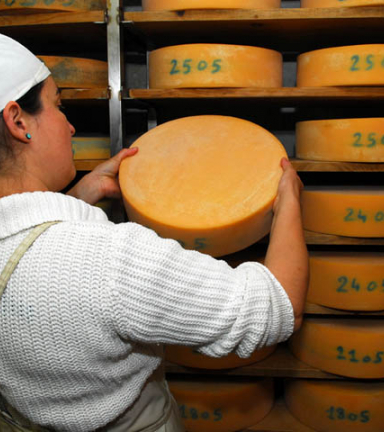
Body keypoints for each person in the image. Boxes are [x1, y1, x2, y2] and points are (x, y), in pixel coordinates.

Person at [0, 33, 308, 432]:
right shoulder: (108, 262)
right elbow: (276, 308)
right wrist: (288, 203)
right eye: (59, 106)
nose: (71, 126)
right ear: (18, 121)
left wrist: (77, 197)